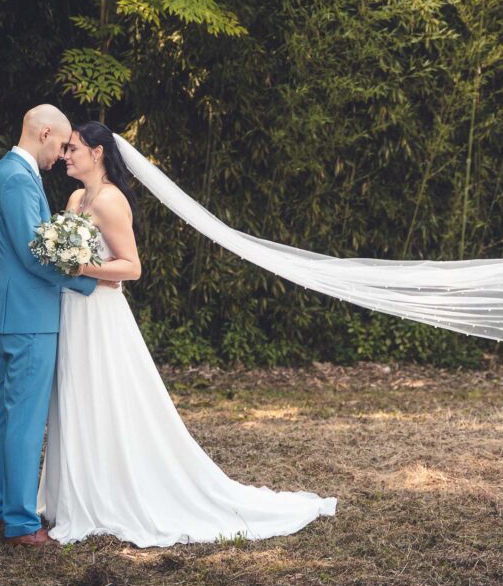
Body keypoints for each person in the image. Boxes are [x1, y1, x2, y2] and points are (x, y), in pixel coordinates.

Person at [35, 120, 337, 547]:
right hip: (73, 311)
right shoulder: (74, 197)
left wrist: (77, 266)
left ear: (98, 153)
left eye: (74, 149)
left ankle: (112, 495)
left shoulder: (110, 201)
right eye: (65, 149)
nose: (66, 156)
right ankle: (76, 493)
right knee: (76, 395)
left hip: (100, 314)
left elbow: (131, 267)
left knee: (106, 396)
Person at [0, 105, 107, 546]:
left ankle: (1, 506)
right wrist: (88, 282)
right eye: (61, 143)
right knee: (25, 419)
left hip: (14, 312)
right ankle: (19, 521)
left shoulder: (3, 172)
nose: (61, 155)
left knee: (10, 413)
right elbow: (34, 254)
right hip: (27, 314)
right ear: (45, 132)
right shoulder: (16, 178)